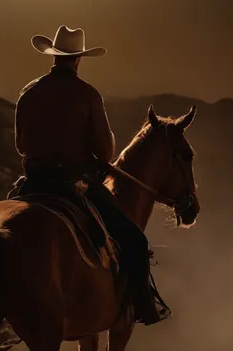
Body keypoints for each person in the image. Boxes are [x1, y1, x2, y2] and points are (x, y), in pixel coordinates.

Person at [11, 24, 166, 325]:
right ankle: (142, 306)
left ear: (53, 56)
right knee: (133, 239)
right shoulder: (88, 95)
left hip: (35, 182)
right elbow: (104, 153)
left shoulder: (29, 93)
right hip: (73, 182)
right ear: (79, 59)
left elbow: (20, 145)